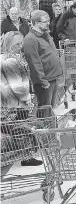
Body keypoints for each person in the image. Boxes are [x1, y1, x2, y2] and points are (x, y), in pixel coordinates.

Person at [1, 31, 44, 167]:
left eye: (21, 43)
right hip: (15, 102)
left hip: (10, 101)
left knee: (19, 128)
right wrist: (28, 98)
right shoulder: (10, 61)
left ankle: (26, 155)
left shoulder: (10, 58)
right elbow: (17, 86)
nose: (20, 46)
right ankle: (26, 157)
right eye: (17, 44)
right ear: (9, 44)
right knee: (21, 128)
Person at [23, 10, 63, 108]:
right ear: (36, 23)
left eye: (49, 21)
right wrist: (43, 81)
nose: (48, 24)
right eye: (45, 22)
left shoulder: (46, 35)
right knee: (45, 109)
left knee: (52, 108)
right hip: (45, 81)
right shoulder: (30, 39)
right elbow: (34, 63)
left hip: (53, 77)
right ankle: (44, 123)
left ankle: (51, 123)